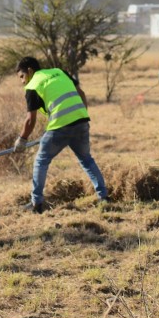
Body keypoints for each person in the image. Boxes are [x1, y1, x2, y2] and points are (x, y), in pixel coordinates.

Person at [13, 57, 108, 214]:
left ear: (30, 70)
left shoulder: (32, 86)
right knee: (86, 159)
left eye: (22, 76)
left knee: (41, 161)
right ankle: (103, 197)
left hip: (59, 126)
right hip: (81, 120)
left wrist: (22, 140)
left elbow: (30, 120)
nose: (23, 82)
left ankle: (36, 204)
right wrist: (80, 117)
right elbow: (81, 93)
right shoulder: (59, 72)